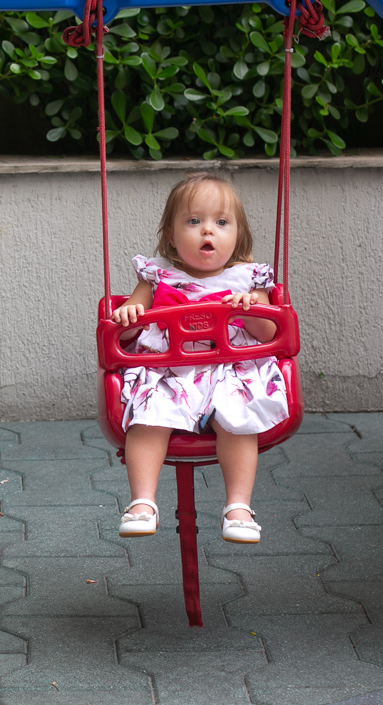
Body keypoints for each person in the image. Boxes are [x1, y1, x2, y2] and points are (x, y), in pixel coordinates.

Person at [111, 171, 289, 544]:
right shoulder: (157, 277)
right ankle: (142, 502)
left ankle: (238, 507)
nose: (208, 231)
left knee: (238, 418)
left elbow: (269, 334)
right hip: (169, 374)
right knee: (148, 413)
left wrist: (250, 310)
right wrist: (128, 317)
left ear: (237, 234)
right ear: (172, 237)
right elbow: (125, 330)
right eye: (194, 221)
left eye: (221, 222)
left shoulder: (249, 279)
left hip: (229, 372)